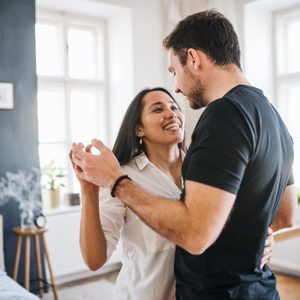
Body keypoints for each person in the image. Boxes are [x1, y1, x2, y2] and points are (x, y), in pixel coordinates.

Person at [71, 9, 297, 299]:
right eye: (157, 108)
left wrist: (117, 181)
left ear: (193, 58)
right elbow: (285, 215)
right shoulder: (274, 118)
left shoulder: (223, 114)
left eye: (174, 72)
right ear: (137, 128)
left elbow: (196, 234)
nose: (177, 88)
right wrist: (251, 238)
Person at [70, 87, 274, 300]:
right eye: (157, 109)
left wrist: (263, 240)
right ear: (139, 129)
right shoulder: (119, 177)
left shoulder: (208, 169)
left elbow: (230, 221)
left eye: (174, 107)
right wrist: (88, 191)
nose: (171, 113)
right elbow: (94, 260)